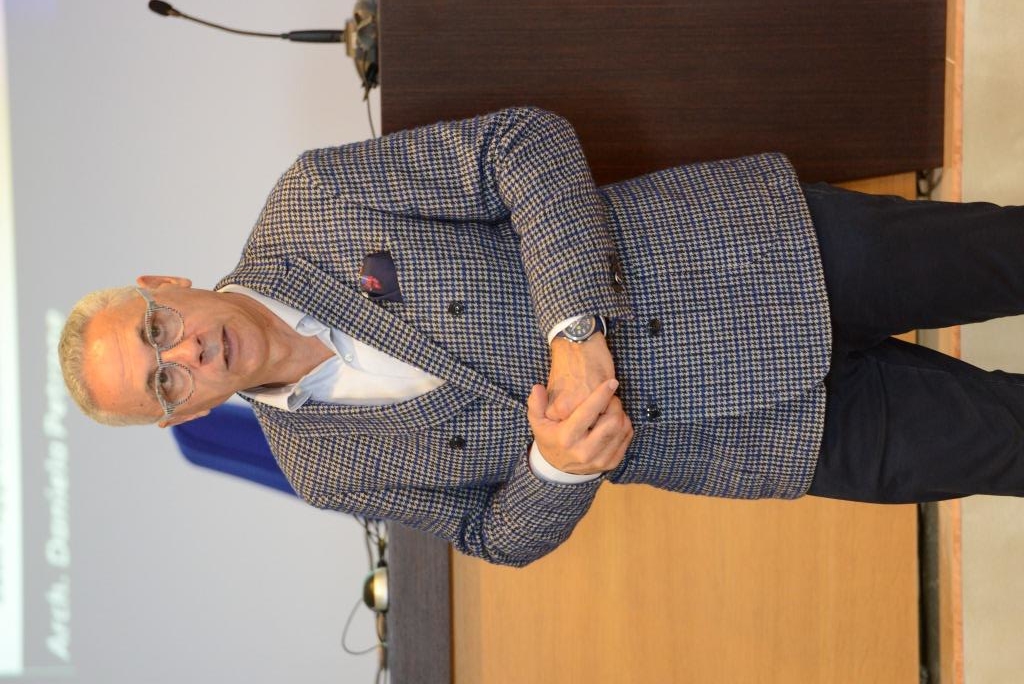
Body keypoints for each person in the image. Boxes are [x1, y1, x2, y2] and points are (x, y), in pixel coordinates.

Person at [59, 107, 1024, 566]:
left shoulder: (314, 199)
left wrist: (573, 329)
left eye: (159, 329)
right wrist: (556, 469)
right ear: (179, 417)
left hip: (761, 254)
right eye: (163, 383)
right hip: (763, 438)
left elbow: (524, 147)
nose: (187, 356)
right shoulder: (321, 470)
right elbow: (496, 535)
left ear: (166, 285)